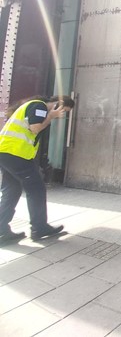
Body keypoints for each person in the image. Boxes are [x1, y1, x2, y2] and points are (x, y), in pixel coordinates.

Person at [0, 95, 75, 244]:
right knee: (36, 189)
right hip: (16, 154)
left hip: (7, 153)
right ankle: (39, 228)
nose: (61, 115)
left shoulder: (33, 106)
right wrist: (51, 117)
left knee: (12, 190)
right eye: (63, 110)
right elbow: (34, 129)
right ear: (57, 104)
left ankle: (1, 231)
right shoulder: (39, 106)